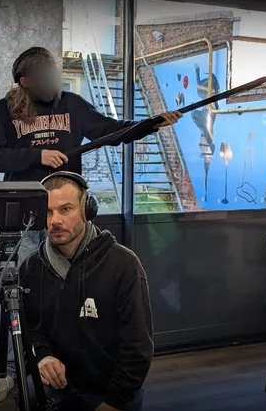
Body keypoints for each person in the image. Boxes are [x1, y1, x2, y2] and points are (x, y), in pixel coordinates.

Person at [0, 46, 181, 265]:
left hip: (67, 207)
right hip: (27, 211)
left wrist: (149, 124)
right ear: (25, 82)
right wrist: (38, 156)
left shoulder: (72, 104)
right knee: (29, 272)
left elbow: (110, 130)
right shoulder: (5, 109)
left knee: (71, 270)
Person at [18, 171, 154, 411]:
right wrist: (42, 356)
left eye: (65, 209)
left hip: (113, 387)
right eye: (48, 212)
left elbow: (138, 346)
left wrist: (114, 401)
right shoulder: (31, 268)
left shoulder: (123, 264)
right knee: (27, 393)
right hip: (60, 384)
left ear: (87, 210)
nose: (55, 221)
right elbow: (28, 329)